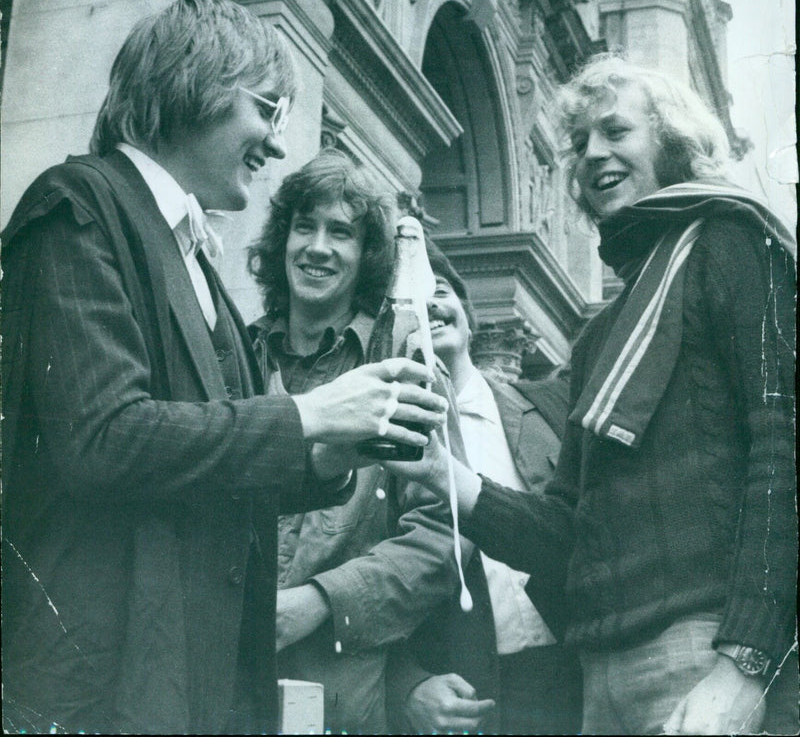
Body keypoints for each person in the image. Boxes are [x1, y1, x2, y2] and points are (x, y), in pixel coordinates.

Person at [0, 0, 447, 736]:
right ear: (195, 85)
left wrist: (331, 453)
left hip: (185, 682)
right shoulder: (77, 204)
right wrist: (309, 414)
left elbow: (212, 458)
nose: (276, 142)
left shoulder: (197, 260)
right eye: (265, 109)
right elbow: (102, 438)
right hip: (93, 687)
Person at [387, 54, 797, 736]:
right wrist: (449, 478)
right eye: (579, 144)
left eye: (616, 131)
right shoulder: (603, 329)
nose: (592, 154)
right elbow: (568, 535)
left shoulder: (731, 243)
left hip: (705, 655)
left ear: (671, 140)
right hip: (600, 675)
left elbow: (783, 453)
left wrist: (745, 664)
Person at [247, 150, 465, 734]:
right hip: (219, 674)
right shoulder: (235, 356)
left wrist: (318, 602)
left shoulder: (403, 368)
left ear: (368, 255)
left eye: (340, 232)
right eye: (304, 226)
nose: (317, 247)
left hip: (343, 691)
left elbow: (443, 539)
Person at [387, 243, 581, 735]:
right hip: (467, 695)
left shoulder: (556, 404)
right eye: (407, 299)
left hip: (577, 673)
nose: (427, 304)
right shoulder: (381, 440)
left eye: (440, 291)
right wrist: (404, 686)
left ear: (470, 319)